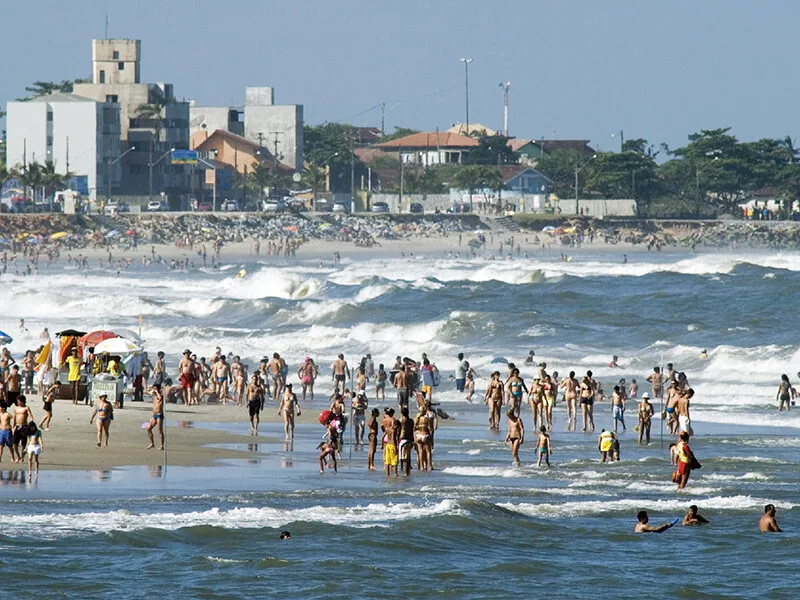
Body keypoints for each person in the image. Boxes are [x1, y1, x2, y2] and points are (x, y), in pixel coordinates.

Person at [146, 383, 165, 450]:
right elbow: (145, 392)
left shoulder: (161, 395)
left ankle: (162, 445)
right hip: (154, 415)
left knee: (160, 430)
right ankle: (152, 443)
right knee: (149, 428)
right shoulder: (154, 395)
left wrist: (157, 391)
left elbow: (160, 398)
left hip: (159, 415)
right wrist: (151, 388)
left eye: (155, 388)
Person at [413, 405, 433, 472]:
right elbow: (430, 428)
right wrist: (430, 437)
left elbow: (414, 429)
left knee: (420, 451)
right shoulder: (426, 419)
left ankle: (421, 466)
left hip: (418, 435)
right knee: (428, 451)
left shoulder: (416, 419)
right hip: (425, 435)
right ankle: (429, 465)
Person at [382, 408, 398, 477]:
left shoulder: (384, 420)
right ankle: (395, 473)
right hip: (391, 439)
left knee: (387, 457)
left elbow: (382, 428)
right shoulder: (392, 420)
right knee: (394, 458)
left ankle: (387, 472)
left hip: (386, 436)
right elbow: (394, 435)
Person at [398, 407, 414, 476]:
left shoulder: (401, 421)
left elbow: (399, 431)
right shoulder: (411, 421)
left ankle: (405, 472)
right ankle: (408, 472)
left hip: (403, 439)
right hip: (409, 439)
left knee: (403, 458)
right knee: (408, 457)